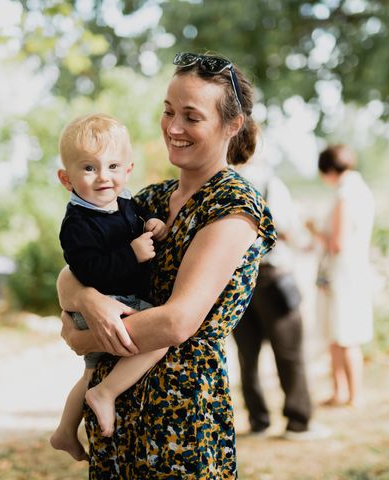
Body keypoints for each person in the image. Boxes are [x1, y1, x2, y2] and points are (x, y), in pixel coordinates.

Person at [57, 52, 276, 478]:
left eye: (191, 117)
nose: (173, 128)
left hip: (179, 412)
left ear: (232, 125)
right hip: (115, 405)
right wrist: (88, 299)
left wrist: (87, 339)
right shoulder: (150, 200)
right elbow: (73, 271)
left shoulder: (232, 206)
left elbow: (178, 322)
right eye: (168, 111)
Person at [49, 114, 169, 461]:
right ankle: (106, 393)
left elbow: (136, 222)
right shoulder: (77, 224)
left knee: (90, 370)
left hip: (116, 303)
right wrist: (132, 255)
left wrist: (152, 224)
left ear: (128, 169)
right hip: (107, 306)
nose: (104, 176)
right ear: (66, 179)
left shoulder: (125, 202)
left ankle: (64, 431)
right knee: (159, 338)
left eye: (113, 166)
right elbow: (89, 270)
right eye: (89, 168)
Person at [234, 161, 330, 440]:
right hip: (270, 274)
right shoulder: (268, 180)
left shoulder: (218, 180)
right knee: (289, 351)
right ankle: (298, 422)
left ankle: (258, 421)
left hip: (235, 278)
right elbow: (283, 228)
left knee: (247, 354)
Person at [307, 144, 375, 408]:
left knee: (346, 334)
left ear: (328, 170)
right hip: (346, 271)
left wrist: (313, 229)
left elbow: (337, 242)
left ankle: (353, 394)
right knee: (336, 333)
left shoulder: (346, 195)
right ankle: (340, 391)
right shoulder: (360, 190)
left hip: (343, 274)